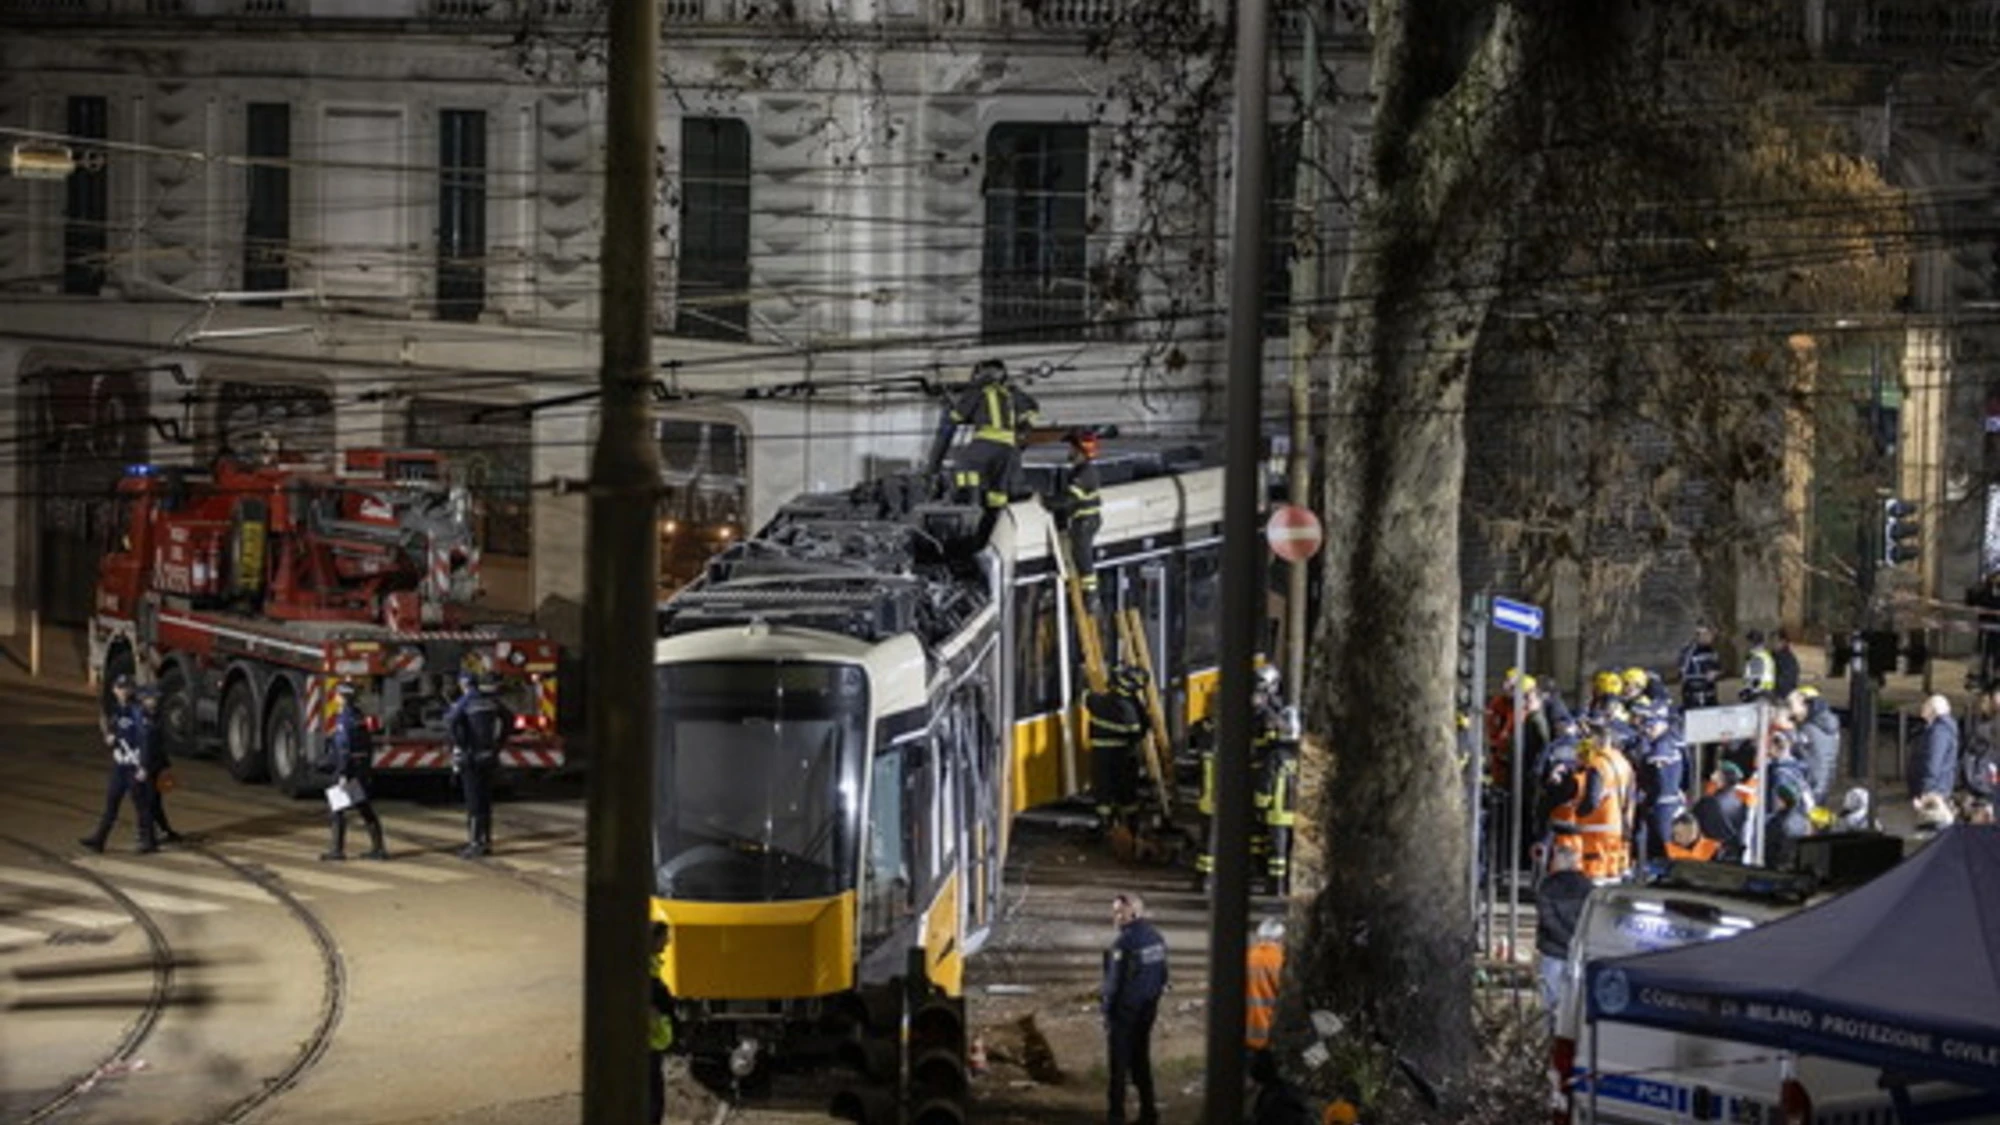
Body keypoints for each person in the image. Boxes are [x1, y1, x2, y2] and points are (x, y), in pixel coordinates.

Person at [936, 358, 1042, 512]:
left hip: (986, 440)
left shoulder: (978, 389)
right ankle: (995, 515)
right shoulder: (1010, 392)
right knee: (998, 486)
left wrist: (952, 407)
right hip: (1008, 447)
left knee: (965, 464)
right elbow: (1033, 409)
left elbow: (958, 416)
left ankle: (970, 500)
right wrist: (1023, 430)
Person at [1103, 892, 1167, 1125]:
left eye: (1120, 911)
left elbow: (1114, 983)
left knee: (1118, 1065)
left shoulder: (1124, 943)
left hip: (1124, 1013)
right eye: (1115, 911)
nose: (1115, 916)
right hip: (1146, 1010)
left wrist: (1107, 1010)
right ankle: (1149, 1111)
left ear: (1134, 912)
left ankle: (1116, 1114)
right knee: (1141, 1060)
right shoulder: (1156, 938)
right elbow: (1163, 976)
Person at [80, 673, 159, 855]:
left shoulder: (137, 711)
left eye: (126, 688)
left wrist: (143, 766)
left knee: (141, 804)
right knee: (111, 802)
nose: (122, 691)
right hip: (120, 764)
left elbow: (144, 739)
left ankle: (148, 840)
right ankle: (100, 838)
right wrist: (112, 739)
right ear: (114, 690)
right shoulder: (118, 711)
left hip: (134, 764)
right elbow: (117, 732)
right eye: (119, 688)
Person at [320, 681, 389, 861]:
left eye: (337, 695)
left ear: (343, 698)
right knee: (363, 806)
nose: (335, 697)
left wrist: (342, 773)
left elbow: (344, 748)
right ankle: (378, 848)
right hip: (360, 767)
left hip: (347, 769)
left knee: (337, 810)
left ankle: (337, 850)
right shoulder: (359, 717)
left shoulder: (344, 719)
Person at [450, 672, 514, 858]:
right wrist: (499, 744)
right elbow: (509, 719)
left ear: (463, 684)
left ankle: (475, 843)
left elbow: (451, 721)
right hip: (489, 756)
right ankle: (486, 841)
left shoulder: (466, 701)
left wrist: (461, 744)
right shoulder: (491, 701)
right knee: (485, 801)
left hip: (471, 758)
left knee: (473, 802)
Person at [1535, 845, 1593, 1033]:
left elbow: (1548, 920)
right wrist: (1575, 942)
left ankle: (1548, 1043)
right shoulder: (1588, 887)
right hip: (1578, 953)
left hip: (1552, 951)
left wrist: (1564, 940)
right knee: (1575, 1003)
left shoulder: (1547, 886)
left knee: (1550, 1003)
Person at [1087, 665, 1149, 837]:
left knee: (1104, 789)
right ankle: (1131, 825)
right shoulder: (1133, 705)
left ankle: (1105, 826)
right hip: (1126, 753)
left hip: (1104, 754)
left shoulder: (1102, 702)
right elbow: (1140, 730)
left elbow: (1088, 698)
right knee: (1127, 791)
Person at [1049, 431, 1104, 611]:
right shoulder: (1081, 471)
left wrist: (1047, 502)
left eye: (1073, 448)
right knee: (1078, 555)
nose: (1070, 452)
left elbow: (1069, 499)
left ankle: (1091, 597)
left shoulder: (1086, 472)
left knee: (1083, 556)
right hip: (1083, 520)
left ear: (1081, 451)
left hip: (1085, 521)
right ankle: (1086, 592)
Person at [133, 684, 186, 845]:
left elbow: (158, 744)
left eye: (155, 698)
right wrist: (140, 767)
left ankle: (163, 830)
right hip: (144, 766)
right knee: (146, 802)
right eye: (151, 698)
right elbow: (142, 745)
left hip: (155, 765)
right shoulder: (139, 719)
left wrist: (165, 766)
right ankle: (146, 838)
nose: (155, 701)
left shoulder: (155, 716)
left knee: (155, 801)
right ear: (142, 700)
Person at [1635, 708, 1687, 862]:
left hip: (1663, 803)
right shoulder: (1673, 741)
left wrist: (1649, 800)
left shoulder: (1661, 746)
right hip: (1672, 799)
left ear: (1663, 724)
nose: (1648, 730)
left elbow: (1660, 780)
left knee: (1663, 846)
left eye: (1652, 726)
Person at [1260, 708, 1300, 895]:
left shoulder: (1275, 756)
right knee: (1293, 853)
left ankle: (1275, 887)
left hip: (1277, 813)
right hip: (1297, 813)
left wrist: (1260, 805)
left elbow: (1266, 782)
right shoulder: (1302, 755)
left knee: (1277, 855)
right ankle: (1290, 886)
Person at [1787, 687, 1840, 806]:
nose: (1789, 712)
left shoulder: (1809, 730)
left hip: (1811, 788)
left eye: (1791, 706)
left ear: (1805, 704)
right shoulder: (1826, 726)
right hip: (1822, 786)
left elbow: (1813, 762)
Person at [648, 919, 677, 1125]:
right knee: (652, 1100)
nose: (667, 942)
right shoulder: (644, 969)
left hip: (652, 1043)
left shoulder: (651, 965)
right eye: (664, 937)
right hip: (647, 1044)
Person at [1909, 694, 1959, 805]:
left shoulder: (1939, 732)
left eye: (1925, 705)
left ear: (1933, 709)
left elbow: (1933, 760)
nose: (1922, 708)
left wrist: (1926, 790)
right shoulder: (1939, 729)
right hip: (1937, 788)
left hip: (1935, 791)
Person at [1246, 917, 1285, 1057]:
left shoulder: (1247, 957)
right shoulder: (1280, 960)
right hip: (1269, 1034)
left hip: (1245, 1034)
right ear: (1280, 938)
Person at [1677, 625, 1722, 710]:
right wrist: (1702, 676)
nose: (1710, 638)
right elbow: (1682, 674)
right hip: (1694, 695)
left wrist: (1716, 673)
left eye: (1711, 635)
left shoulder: (1713, 651)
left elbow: (1718, 667)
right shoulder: (1688, 651)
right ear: (1699, 635)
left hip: (1710, 693)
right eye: (1706, 635)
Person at [1740, 630, 1776, 701]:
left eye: (1745, 643)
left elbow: (1755, 680)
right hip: (1767, 692)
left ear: (1750, 643)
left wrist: (1746, 692)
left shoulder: (1756, 658)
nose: (1744, 646)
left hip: (1759, 695)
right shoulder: (1765, 655)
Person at [1771, 631, 1801, 699]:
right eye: (1771, 641)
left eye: (1775, 641)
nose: (1773, 644)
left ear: (1783, 642)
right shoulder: (1772, 656)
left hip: (1782, 695)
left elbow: (1788, 680)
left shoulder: (1787, 659)